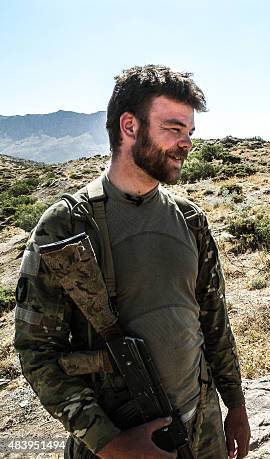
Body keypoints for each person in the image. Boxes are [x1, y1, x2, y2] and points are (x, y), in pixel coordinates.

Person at [14, 65, 250, 459]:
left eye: (189, 133)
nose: (186, 143)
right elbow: (37, 352)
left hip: (202, 427)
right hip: (125, 436)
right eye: (173, 129)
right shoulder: (67, 225)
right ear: (129, 126)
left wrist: (236, 404)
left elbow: (212, 320)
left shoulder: (190, 220)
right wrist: (110, 442)